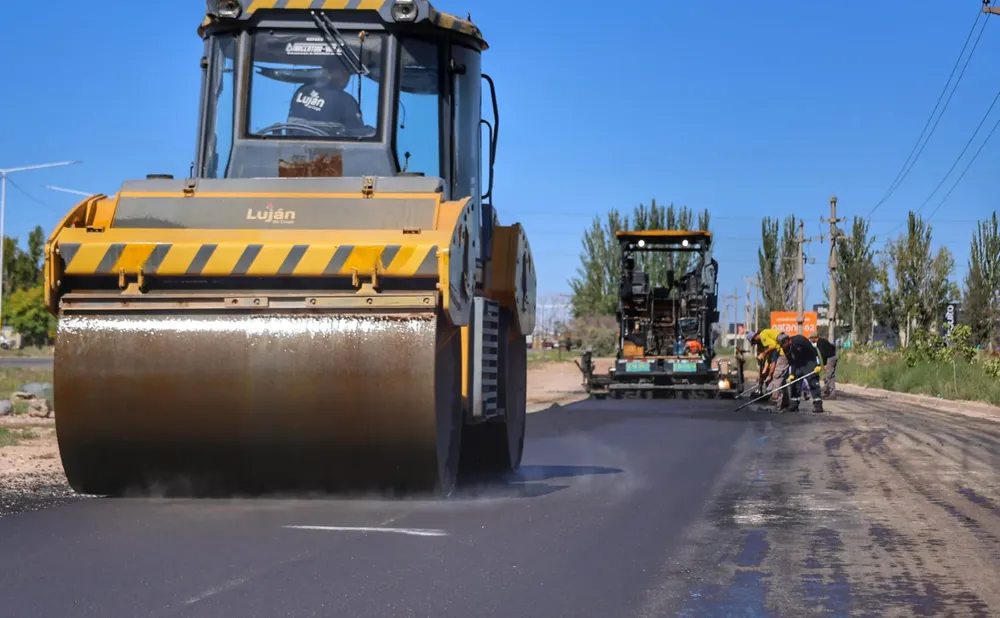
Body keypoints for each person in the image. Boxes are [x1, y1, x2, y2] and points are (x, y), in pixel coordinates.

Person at [287, 56, 367, 135]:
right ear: (329, 72)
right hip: (328, 147)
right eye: (345, 72)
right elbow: (357, 135)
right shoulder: (346, 100)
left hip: (293, 145)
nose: (347, 77)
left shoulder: (302, 90)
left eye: (348, 73)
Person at [778, 332, 824, 413]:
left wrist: (818, 364)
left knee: (813, 381)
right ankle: (794, 404)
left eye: (782, 344)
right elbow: (791, 361)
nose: (781, 346)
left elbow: (813, 350)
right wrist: (792, 373)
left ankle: (818, 405)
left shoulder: (799, 340)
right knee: (795, 383)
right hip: (798, 364)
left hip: (810, 361)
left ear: (787, 341)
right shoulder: (785, 348)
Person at [747, 328, 788, 406]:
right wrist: (764, 372)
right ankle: (785, 402)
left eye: (754, 342)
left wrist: (769, 375)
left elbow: (773, 348)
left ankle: (775, 400)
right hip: (780, 354)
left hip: (782, 354)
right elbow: (767, 360)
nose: (755, 344)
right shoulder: (762, 344)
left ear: (755, 338)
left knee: (776, 377)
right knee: (780, 379)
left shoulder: (763, 336)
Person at [809, 333, 838, 399]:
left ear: (814, 337)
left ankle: (827, 393)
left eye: (811, 338)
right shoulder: (823, 341)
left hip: (830, 359)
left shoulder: (819, 343)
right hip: (834, 357)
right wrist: (833, 353)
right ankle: (830, 393)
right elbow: (833, 347)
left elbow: (823, 354)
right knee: (831, 376)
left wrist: (825, 364)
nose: (810, 340)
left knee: (828, 376)